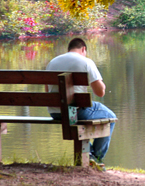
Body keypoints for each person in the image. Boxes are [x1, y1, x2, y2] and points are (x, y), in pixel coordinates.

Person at [46, 38, 116, 169]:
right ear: (83, 49)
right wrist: (103, 85)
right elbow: (100, 92)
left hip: (55, 112)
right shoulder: (86, 62)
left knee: (81, 119)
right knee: (110, 117)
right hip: (74, 112)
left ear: (69, 49)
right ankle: (97, 158)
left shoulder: (52, 62)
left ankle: (90, 155)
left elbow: (47, 90)